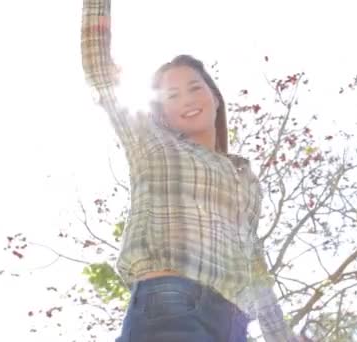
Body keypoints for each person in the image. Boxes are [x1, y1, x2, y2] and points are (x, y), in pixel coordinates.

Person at [81, 0, 303, 341]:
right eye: (172, 95)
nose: (187, 98)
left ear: (215, 98)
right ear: (161, 113)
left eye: (195, 88)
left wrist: (282, 336)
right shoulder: (152, 145)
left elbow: (255, 264)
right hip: (171, 301)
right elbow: (99, 70)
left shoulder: (243, 177)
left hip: (233, 322)